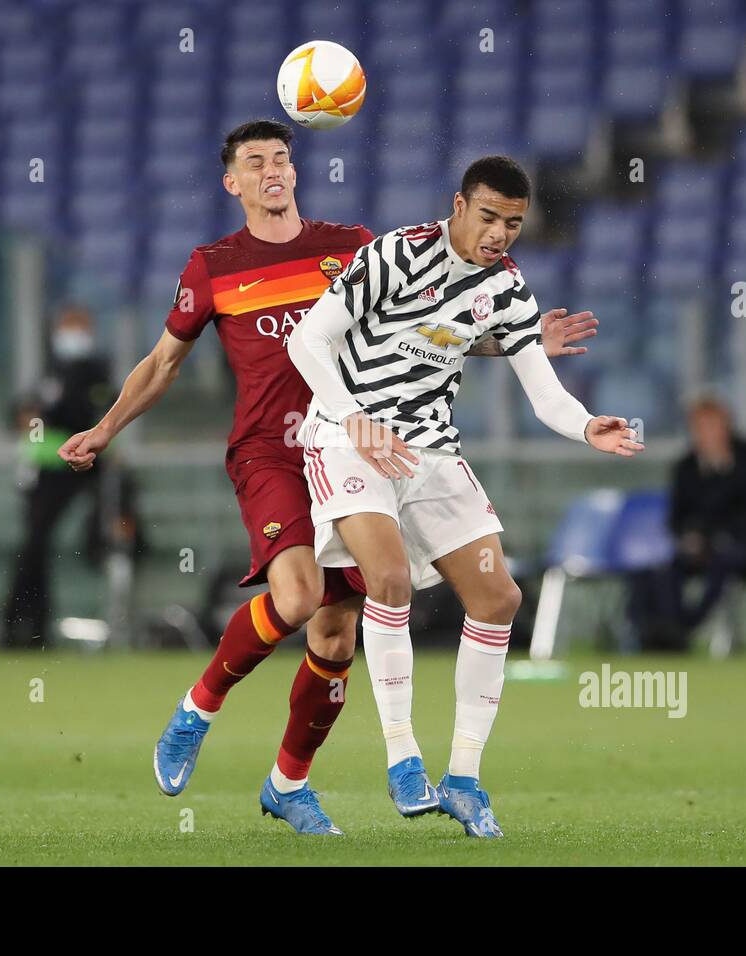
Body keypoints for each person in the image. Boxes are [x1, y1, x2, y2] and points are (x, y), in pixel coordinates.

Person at [57, 121, 597, 834]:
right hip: (273, 451)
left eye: (281, 157)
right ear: (234, 183)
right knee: (300, 593)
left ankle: (289, 782)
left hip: (363, 449)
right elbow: (163, 364)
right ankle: (199, 708)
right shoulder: (214, 265)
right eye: (255, 162)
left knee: (337, 636)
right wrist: (104, 429)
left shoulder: (351, 248)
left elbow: (424, 332)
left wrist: (517, 340)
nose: (272, 170)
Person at [287, 155, 642, 838]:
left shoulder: (507, 289)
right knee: (386, 577)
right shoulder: (393, 255)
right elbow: (309, 340)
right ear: (458, 205)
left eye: (513, 222)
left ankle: (464, 779)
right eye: (488, 217)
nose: (500, 233)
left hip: (430, 453)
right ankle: (403, 761)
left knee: (499, 597)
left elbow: (545, 395)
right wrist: (352, 415)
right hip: (346, 440)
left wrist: (585, 425)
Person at [3, 305, 141, 648]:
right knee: (34, 545)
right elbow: (24, 414)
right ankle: (25, 624)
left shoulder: (95, 372)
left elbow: (99, 413)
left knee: (114, 523)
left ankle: (101, 567)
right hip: (50, 467)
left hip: (90, 462)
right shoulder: (52, 372)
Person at [666, 395, 746, 638]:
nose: (707, 434)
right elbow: (676, 517)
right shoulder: (686, 466)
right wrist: (690, 537)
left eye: (713, 425)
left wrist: (721, 470)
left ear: (726, 425)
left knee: (722, 562)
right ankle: (666, 629)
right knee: (668, 568)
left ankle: (686, 627)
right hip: (704, 544)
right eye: (701, 427)